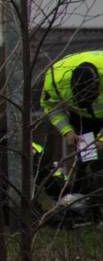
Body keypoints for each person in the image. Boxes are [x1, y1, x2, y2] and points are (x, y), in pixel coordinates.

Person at [41, 51, 103, 217]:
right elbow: (50, 106)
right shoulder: (55, 79)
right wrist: (67, 131)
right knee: (87, 159)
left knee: (100, 159)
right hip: (82, 118)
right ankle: (87, 204)